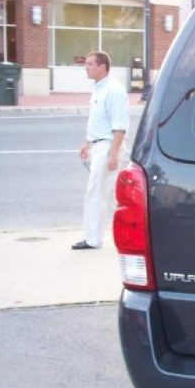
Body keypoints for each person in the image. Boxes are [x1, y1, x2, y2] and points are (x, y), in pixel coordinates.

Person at [72, 51, 129, 250]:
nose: (86, 68)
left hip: (107, 147)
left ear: (102, 67)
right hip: (98, 145)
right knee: (98, 192)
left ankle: (93, 239)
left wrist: (113, 154)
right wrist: (87, 142)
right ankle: (92, 236)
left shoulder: (114, 90)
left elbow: (119, 126)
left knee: (97, 193)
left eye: (89, 64)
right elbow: (98, 120)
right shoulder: (99, 88)